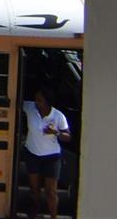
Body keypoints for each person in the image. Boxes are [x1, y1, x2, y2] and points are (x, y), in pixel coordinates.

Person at [20, 85, 71, 219]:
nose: (36, 103)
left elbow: (68, 136)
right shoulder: (31, 108)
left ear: (47, 102)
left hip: (52, 157)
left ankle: (53, 216)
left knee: (51, 191)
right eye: (36, 99)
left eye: (40, 100)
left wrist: (56, 132)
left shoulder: (58, 116)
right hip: (32, 153)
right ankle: (35, 210)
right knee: (34, 189)